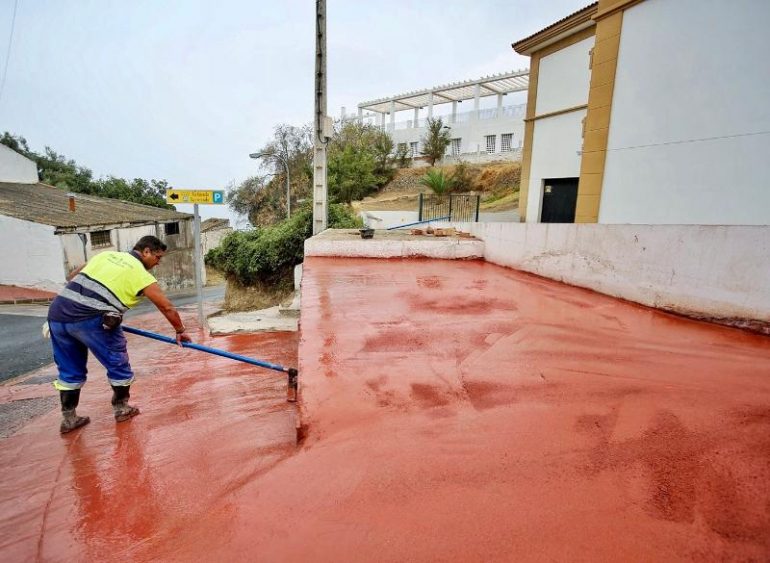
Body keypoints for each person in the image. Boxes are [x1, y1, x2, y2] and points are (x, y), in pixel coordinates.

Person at [47, 235, 192, 433]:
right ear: (146, 251)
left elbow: (73, 276)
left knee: (69, 369)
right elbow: (166, 307)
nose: (158, 263)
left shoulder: (105, 256)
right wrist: (180, 331)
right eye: (157, 257)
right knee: (118, 362)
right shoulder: (140, 274)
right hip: (93, 319)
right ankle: (122, 409)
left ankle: (69, 419)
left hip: (57, 315)